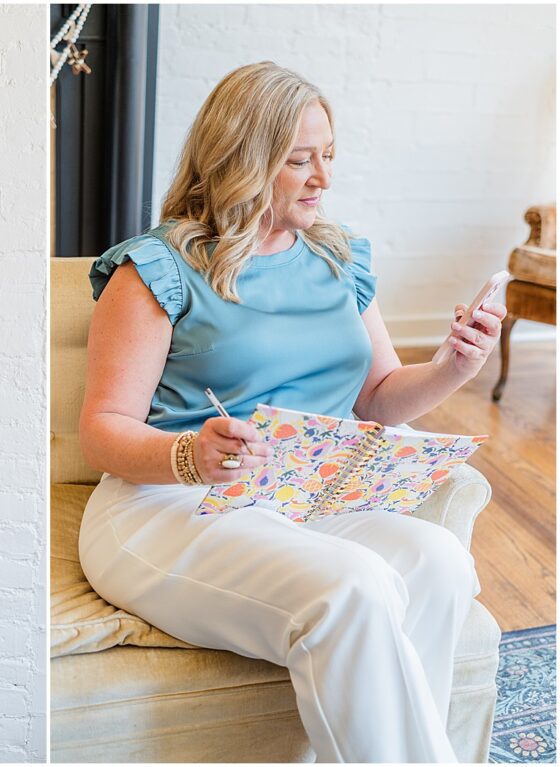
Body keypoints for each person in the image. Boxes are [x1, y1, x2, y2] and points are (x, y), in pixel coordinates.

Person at [78, 61, 506, 763]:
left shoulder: (338, 259)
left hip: (304, 497)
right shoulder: (157, 268)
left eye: (328, 156)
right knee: (355, 585)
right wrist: (190, 453)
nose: (323, 178)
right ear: (241, 159)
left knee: (440, 561)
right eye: (300, 159)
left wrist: (454, 367)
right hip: (170, 503)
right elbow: (103, 430)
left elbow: (379, 394)